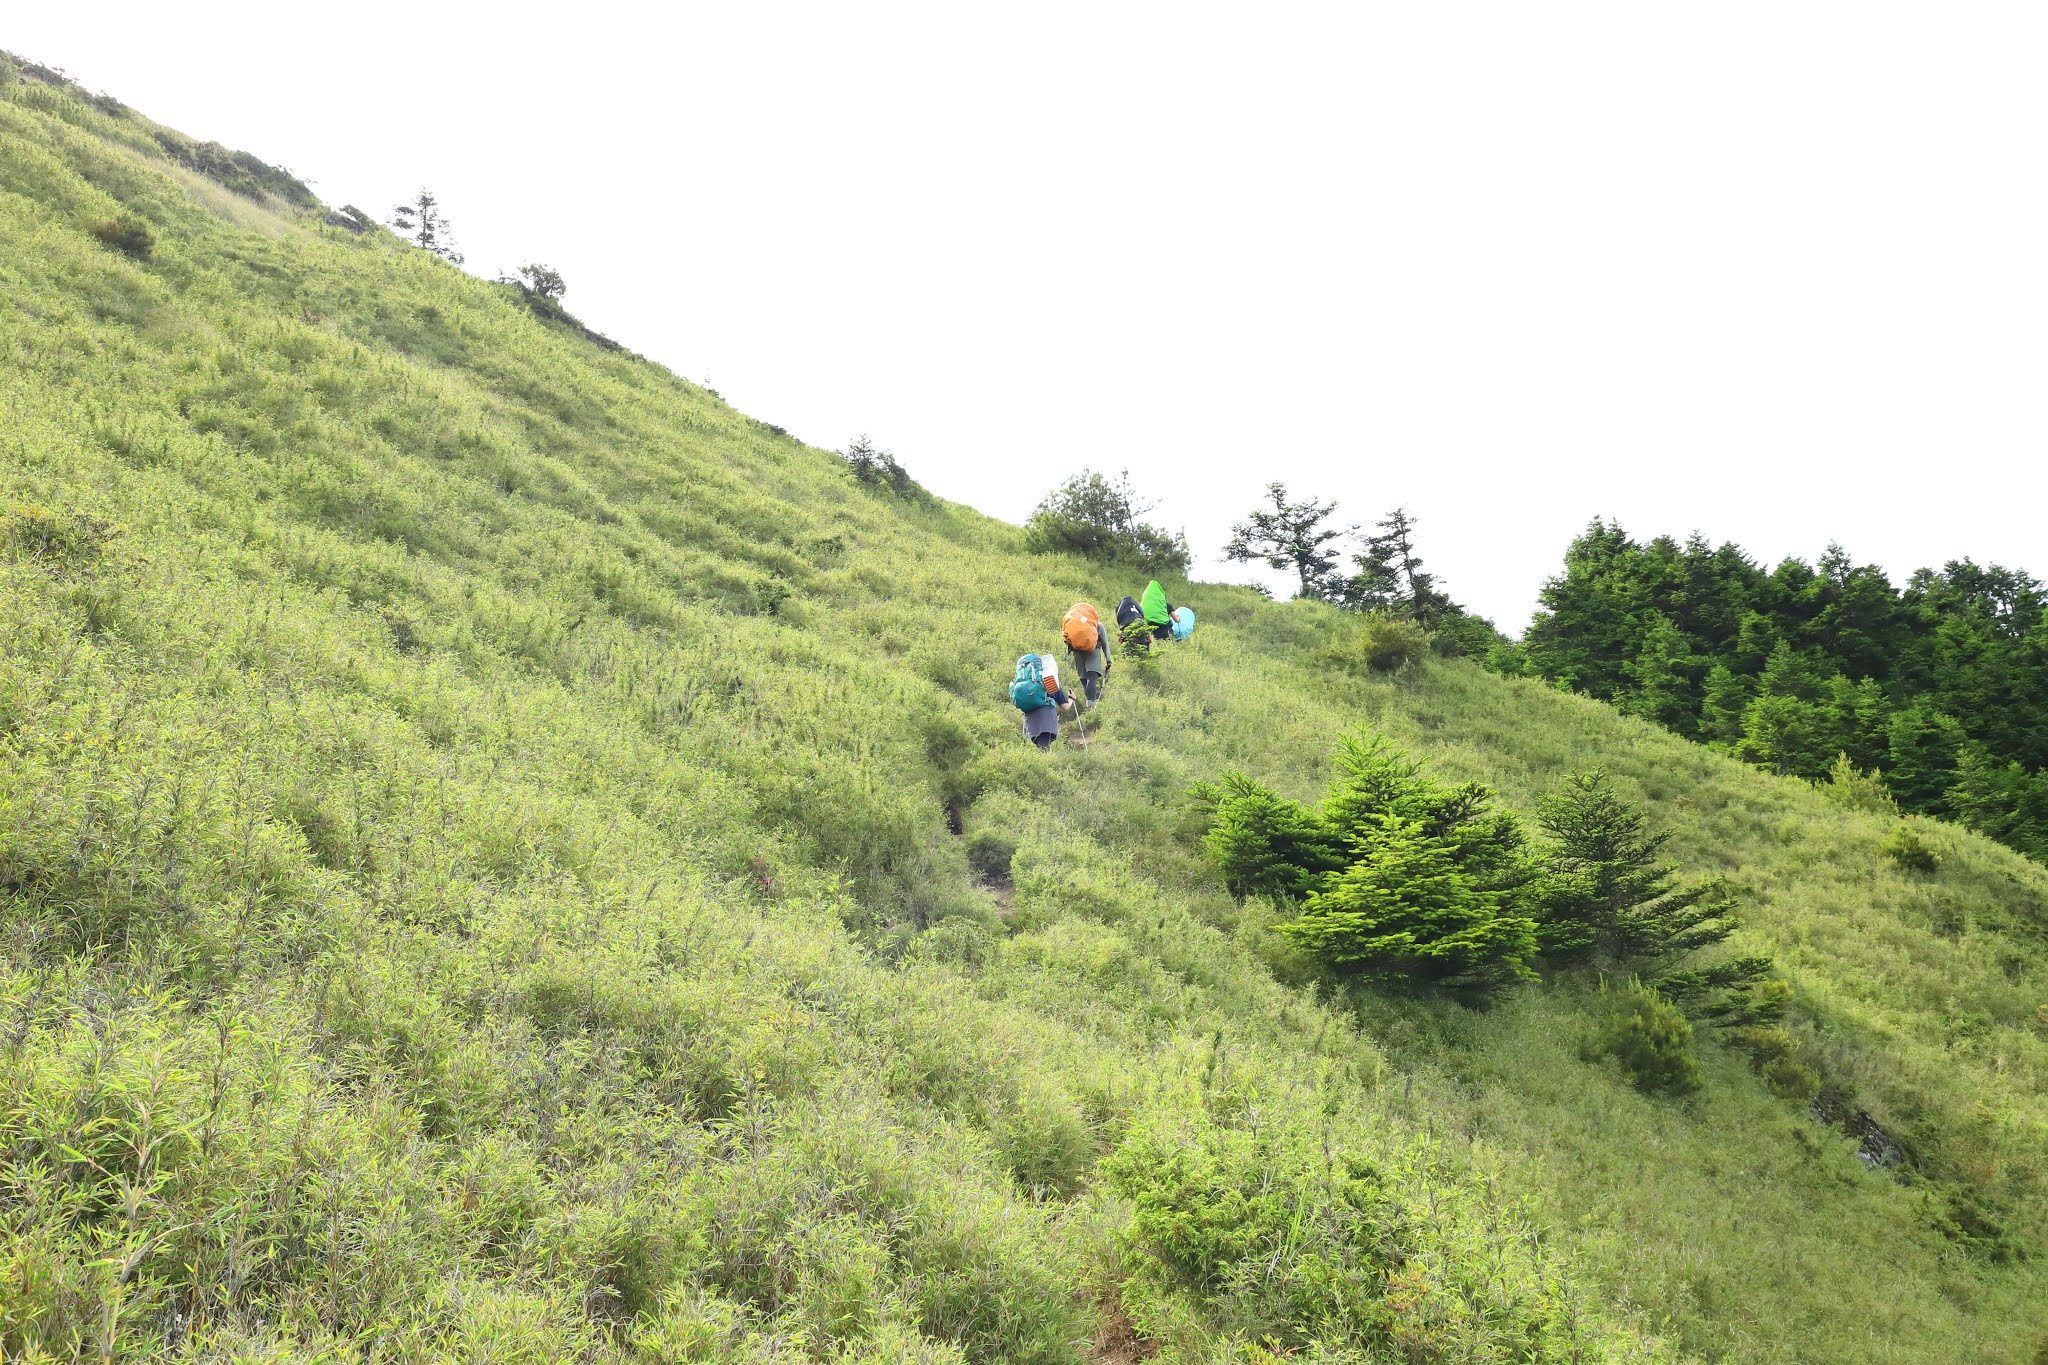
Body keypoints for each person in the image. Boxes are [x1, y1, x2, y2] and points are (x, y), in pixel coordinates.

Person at [1010, 652, 1075, 751]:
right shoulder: (1048, 679)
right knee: (1044, 748)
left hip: (1029, 720)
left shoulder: (1022, 681)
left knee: (1034, 750)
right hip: (1046, 718)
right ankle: (1046, 764)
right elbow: (1065, 707)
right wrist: (1071, 699)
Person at [1061, 602, 1112, 706]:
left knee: (1084, 678)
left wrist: (1067, 652)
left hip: (1078, 652)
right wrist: (1108, 660)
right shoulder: (1098, 625)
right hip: (1093, 651)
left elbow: (1067, 638)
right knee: (1092, 677)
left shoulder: (1074, 625)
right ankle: (1091, 703)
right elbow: (1105, 643)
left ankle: (1089, 700)